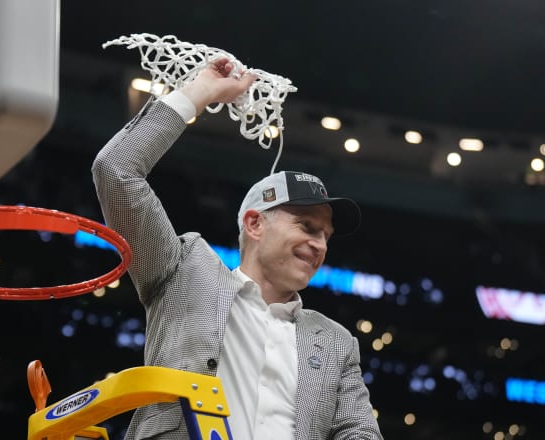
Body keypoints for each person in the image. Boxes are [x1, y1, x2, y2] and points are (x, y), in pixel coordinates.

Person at [92, 58, 383, 440]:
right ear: (255, 223)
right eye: (307, 227)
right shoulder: (182, 273)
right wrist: (200, 93)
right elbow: (116, 170)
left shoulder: (335, 341)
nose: (319, 245)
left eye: (326, 235)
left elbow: (360, 432)